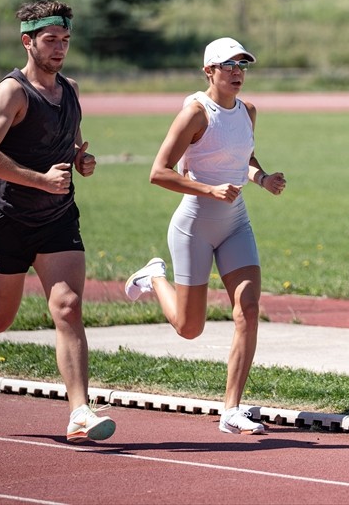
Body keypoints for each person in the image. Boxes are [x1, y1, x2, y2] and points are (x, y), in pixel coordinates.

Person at [0, 0, 114, 443]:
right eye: (50, 40)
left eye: (65, 40)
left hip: (57, 219)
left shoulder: (70, 89)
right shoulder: (11, 92)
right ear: (27, 41)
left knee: (68, 308)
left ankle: (79, 412)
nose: (59, 49)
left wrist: (81, 160)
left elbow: (66, 147)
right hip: (8, 219)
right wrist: (39, 180)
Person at [125, 37, 286, 435]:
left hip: (235, 223)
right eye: (228, 65)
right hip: (194, 225)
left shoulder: (247, 111)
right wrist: (209, 190)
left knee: (247, 310)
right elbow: (158, 172)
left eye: (242, 66)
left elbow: (240, 156)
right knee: (189, 327)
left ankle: (231, 410)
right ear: (208, 71)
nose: (237, 73)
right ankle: (152, 277)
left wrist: (261, 178)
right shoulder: (195, 115)